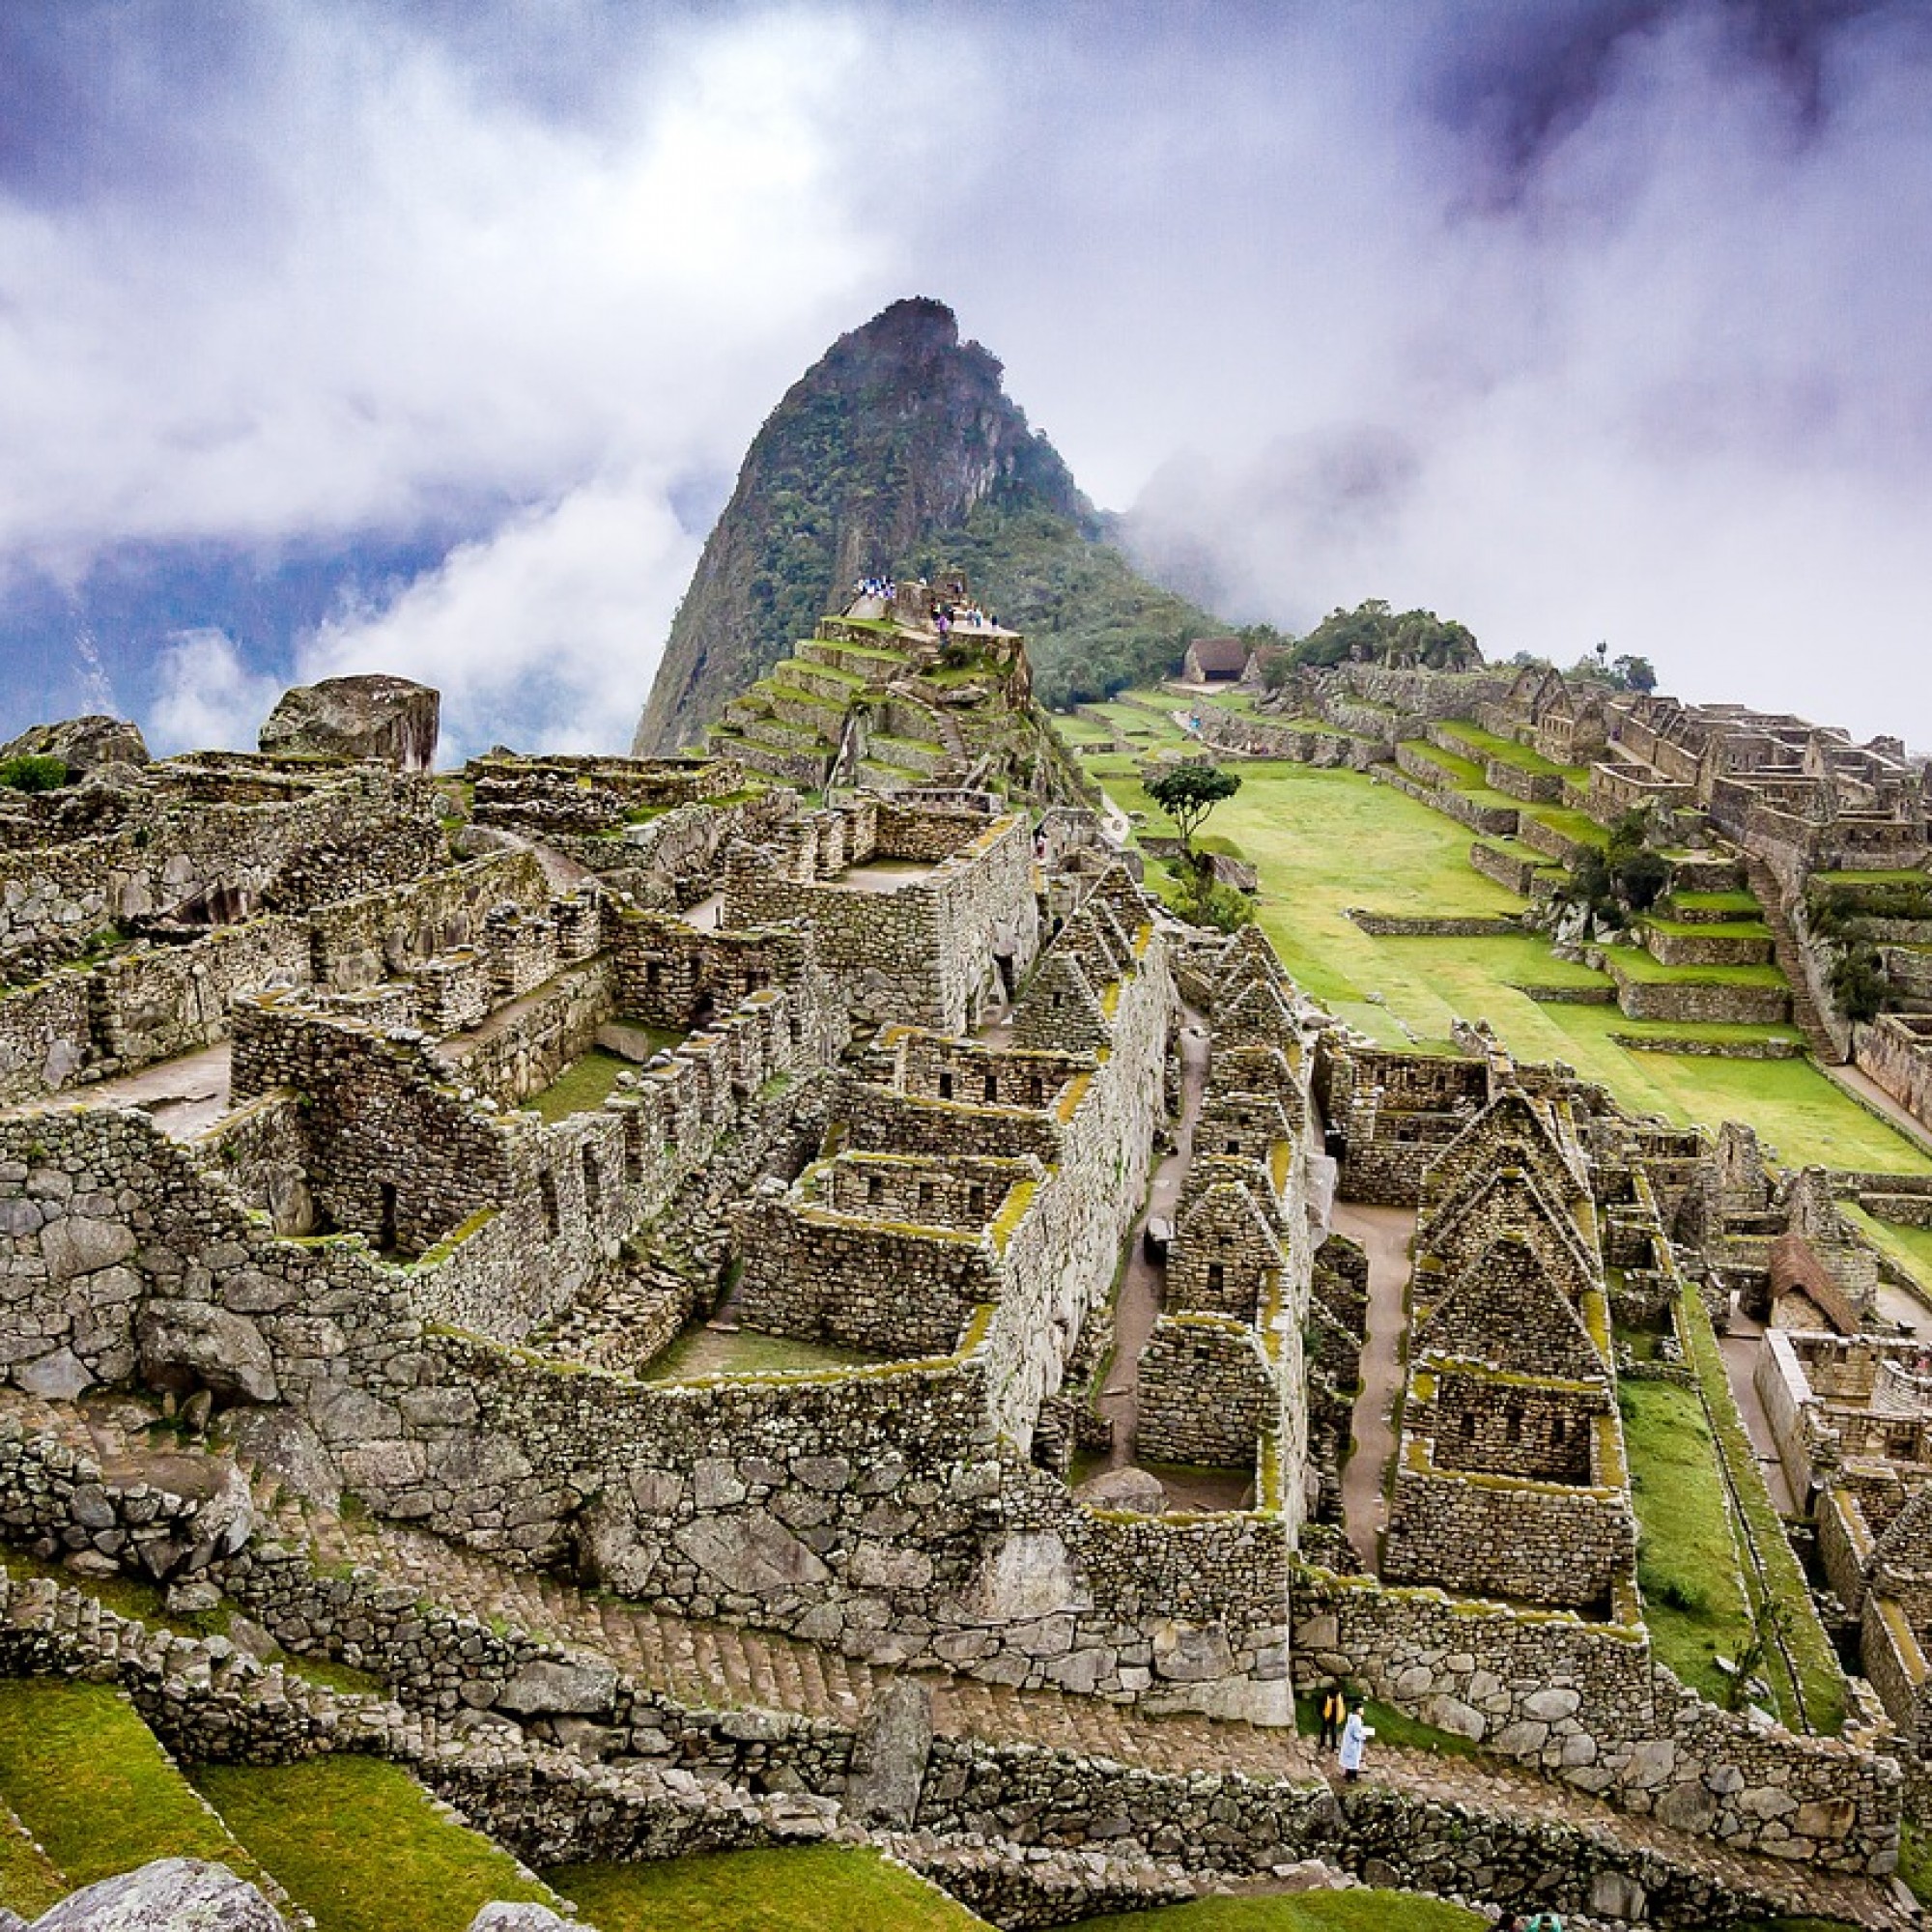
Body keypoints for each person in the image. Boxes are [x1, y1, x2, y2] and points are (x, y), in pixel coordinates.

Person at [1338, 1701, 1372, 1781]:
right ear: (1357, 1710)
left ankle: (1348, 1775)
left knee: (1349, 1761)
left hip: (1349, 1743)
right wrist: (1364, 1736)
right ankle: (1352, 1778)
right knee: (1354, 1761)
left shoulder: (1351, 1718)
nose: (1363, 1711)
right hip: (1353, 1744)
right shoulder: (1357, 1720)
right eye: (1361, 1709)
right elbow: (1356, 1734)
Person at [1318, 1682, 1344, 1752]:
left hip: (1334, 1718)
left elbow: (1348, 1698)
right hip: (1326, 1717)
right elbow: (1320, 1706)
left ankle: (1334, 1747)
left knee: (1333, 1732)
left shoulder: (1339, 1697)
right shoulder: (1326, 1697)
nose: (1338, 1692)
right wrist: (1321, 1715)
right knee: (1324, 1731)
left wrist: (1361, 1698)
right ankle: (1322, 1745)